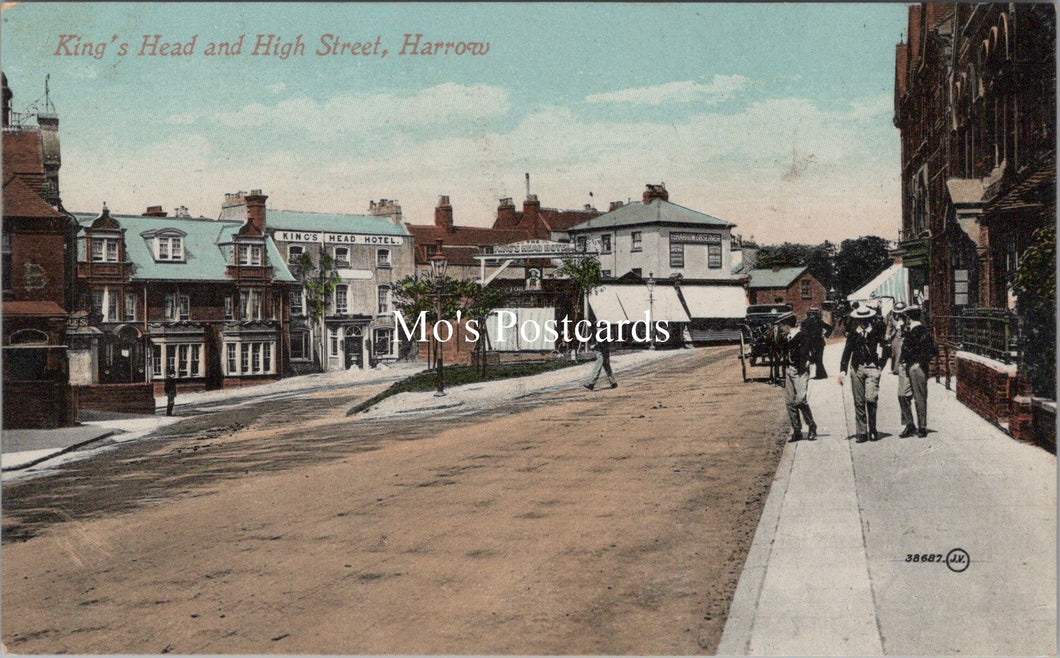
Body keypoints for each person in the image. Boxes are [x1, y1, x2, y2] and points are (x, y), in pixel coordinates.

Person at [838, 306, 886, 442]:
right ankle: (862, 432)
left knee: (871, 398)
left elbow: (885, 348)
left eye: (865, 319)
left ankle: (873, 428)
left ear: (870, 319)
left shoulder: (876, 332)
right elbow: (847, 352)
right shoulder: (853, 334)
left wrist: (880, 366)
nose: (863, 322)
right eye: (860, 319)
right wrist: (843, 370)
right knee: (858, 401)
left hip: (872, 367)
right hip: (856, 367)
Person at [778, 314, 817, 442]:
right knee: (790, 401)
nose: (780, 328)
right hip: (790, 370)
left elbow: (809, 351)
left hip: (800, 371)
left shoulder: (802, 335)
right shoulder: (785, 337)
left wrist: (807, 362)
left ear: (787, 325)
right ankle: (797, 430)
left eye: (781, 325)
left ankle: (811, 425)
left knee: (800, 400)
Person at [898, 306, 933, 438]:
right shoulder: (909, 330)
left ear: (908, 318)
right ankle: (909, 424)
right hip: (906, 366)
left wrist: (920, 362)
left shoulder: (921, 331)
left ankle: (921, 426)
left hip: (916, 366)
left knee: (919, 397)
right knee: (902, 394)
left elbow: (930, 350)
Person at [583, 326, 617, 391]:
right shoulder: (605, 332)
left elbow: (601, 343)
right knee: (607, 367)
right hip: (605, 351)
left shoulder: (602, 333)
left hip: (601, 352)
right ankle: (613, 382)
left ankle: (591, 383)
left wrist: (595, 346)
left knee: (597, 367)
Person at [802, 308, 832, 379]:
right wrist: (826, 335)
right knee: (817, 359)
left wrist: (825, 335)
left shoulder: (806, 322)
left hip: (813, 343)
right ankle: (821, 374)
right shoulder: (818, 321)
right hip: (816, 343)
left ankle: (821, 375)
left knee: (817, 359)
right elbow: (830, 328)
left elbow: (829, 328)